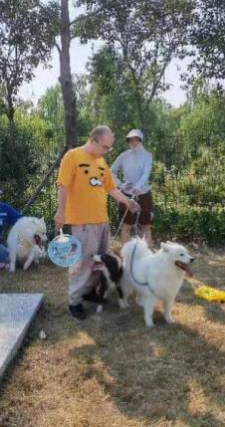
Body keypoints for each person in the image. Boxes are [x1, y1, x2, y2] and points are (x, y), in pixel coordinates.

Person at [54, 126, 140, 320]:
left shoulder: (101, 162)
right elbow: (63, 186)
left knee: (98, 262)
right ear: (92, 139)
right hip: (82, 222)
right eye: (105, 147)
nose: (107, 151)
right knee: (82, 262)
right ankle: (74, 302)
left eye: (110, 148)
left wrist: (128, 201)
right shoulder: (72, 157)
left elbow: (111, 188)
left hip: (102, 221)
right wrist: (60, 212)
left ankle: (89, 291)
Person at [111, 128, 154, 246]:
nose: (133, 142)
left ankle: (147, 253)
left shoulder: (147, 156)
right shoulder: (123, 156)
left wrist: (138, 187)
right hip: (126, 195)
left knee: (145, 226)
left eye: (136, 139)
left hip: (144, 194)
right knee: (126, 226)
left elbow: (146, 173)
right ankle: (126, 254)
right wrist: (121, 185)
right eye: (131, 140)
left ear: (141, 140)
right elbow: (111, 171)